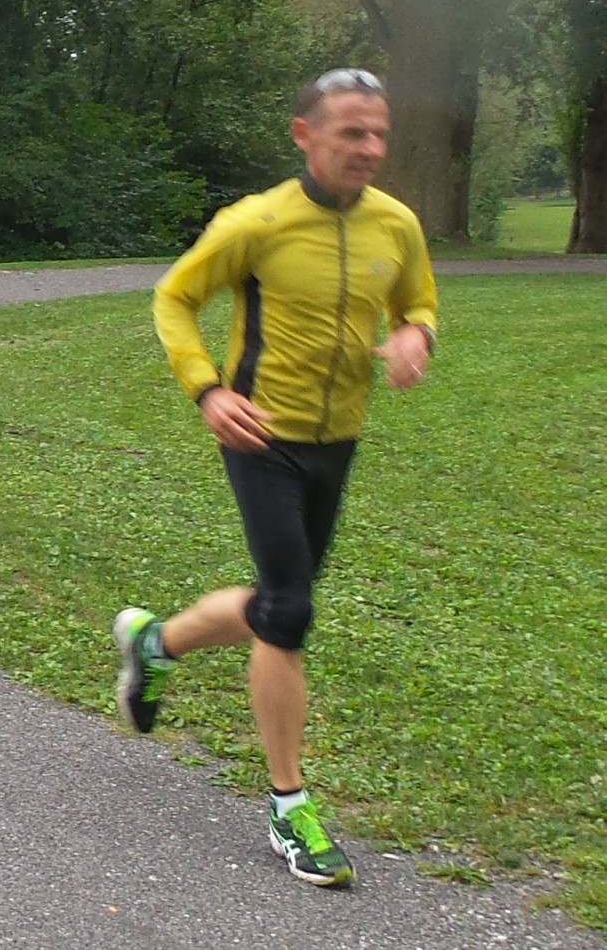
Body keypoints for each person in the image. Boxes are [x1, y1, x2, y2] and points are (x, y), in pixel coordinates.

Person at [115, 68, 438, 887]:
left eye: (379, 134)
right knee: (290, 610)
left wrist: (416, 336)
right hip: (260, 431)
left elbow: (418, 302)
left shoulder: (396, 224)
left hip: (341, 439)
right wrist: (207, 388)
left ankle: (155, 643)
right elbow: (174, 298)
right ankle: (290, 804)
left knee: (274, 607)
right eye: (351, 133)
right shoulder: (256, 222)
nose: (370, 149)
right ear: (304, 134)